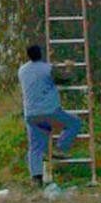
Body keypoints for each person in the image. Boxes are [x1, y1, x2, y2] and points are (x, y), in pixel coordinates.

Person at [17, 43, 82, 187]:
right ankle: (60, 148)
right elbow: (66, 79)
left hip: (31, 114)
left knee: (35, 146)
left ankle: (36, 179)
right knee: (74, 123)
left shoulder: (22, 70)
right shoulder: (48, 69)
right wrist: (69, 67)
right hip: (50, 112)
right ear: (41, 54)